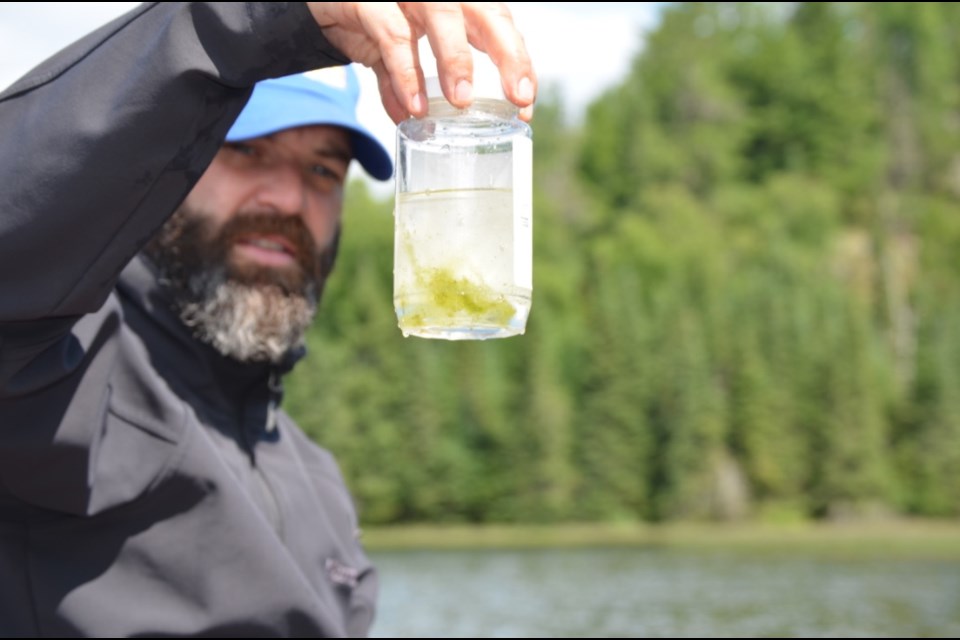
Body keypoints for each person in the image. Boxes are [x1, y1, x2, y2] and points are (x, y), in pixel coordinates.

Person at [0, 2, 535, 636]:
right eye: (248, 151)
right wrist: (259, 18)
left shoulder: (323, 491)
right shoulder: (53, 380)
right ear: (162, 170)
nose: (287, 199)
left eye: (321, 169)